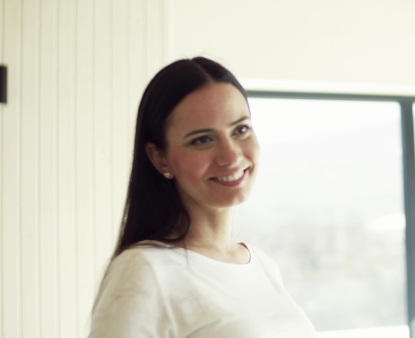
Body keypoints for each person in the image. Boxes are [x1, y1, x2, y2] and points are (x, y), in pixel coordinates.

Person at [89, 57, 316, 337]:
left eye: (241, 129)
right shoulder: (145, 269)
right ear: (160, 158)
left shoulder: (262, 265)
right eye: (202, 140)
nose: (231, 156)